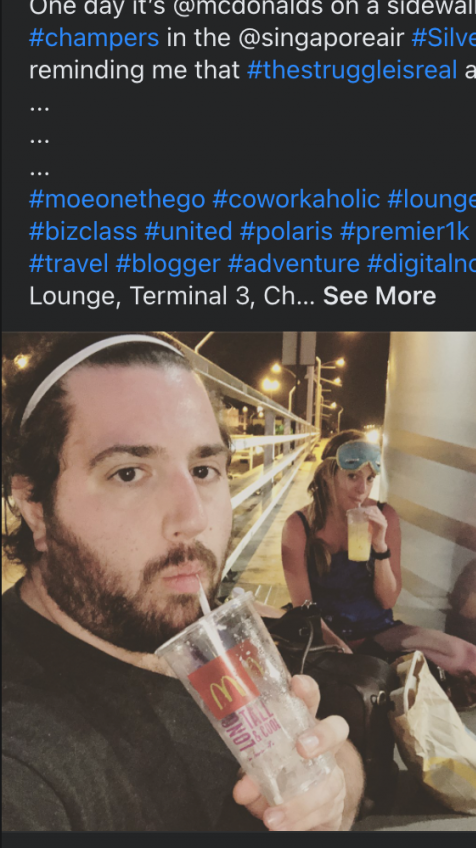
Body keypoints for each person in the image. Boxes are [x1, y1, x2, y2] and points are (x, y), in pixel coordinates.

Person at [2, 333, 363, 831]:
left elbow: (341, 771)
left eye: (203, 469)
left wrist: (330, 787)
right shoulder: (25, 755)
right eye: (128, 473)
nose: (192, 519)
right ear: (35, 507)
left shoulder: (204, 628)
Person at [281, 431, 476, 709]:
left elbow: (387, 601)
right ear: (327, 475)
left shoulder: (384, 515)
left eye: (370, 479)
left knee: (473, 660)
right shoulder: (298, 525)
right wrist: (341, 649)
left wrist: (380, 546)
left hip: (378, 632)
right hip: (325, 635)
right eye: (352, 476)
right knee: (356, 679)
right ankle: (415, 683)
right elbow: (304, 609)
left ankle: (393, 677)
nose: (362, 489)